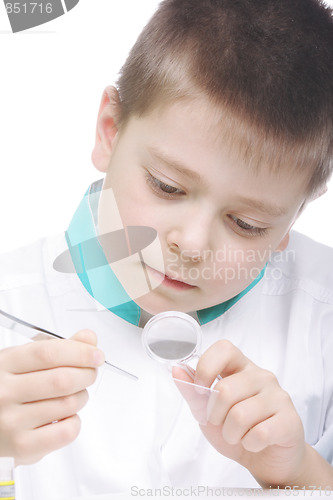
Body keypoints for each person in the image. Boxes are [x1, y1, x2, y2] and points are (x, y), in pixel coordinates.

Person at [0, 0, 333, 497]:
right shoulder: (13, 298)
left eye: (246, 223)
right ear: (110, 132)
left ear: (292, 217)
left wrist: (298, 473)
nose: (192, 244)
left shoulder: (322, 313)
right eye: (167, 187)